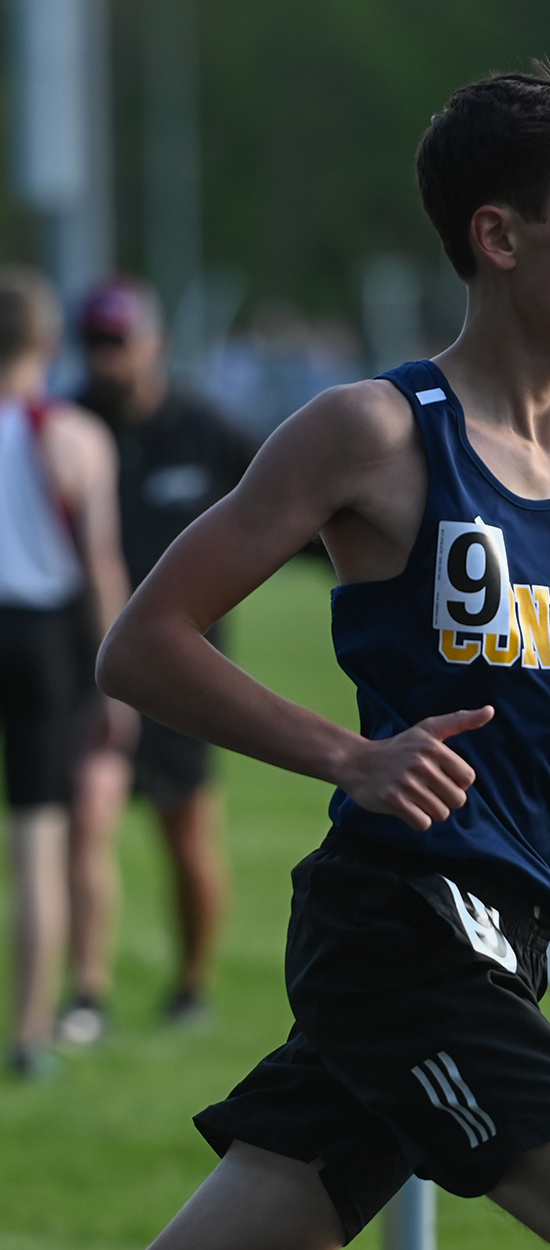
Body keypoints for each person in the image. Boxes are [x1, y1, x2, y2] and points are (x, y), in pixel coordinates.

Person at [99, 69, 550, 1249]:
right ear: (498, 236)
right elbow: (141, 644)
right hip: (402, 933)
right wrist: (351, 756)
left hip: (511, 931)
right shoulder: (374, 431)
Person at [59, 279, 254, 1043]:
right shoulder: (68, 427)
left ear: (155, 344)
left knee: (187, 834)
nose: (105, 360)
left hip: (187, 675)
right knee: (87, 820)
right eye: (93, 344)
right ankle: (88, 994)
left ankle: (192, 987)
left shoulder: (209, 433)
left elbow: (302, 522)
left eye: (118, 343)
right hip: (89, 668)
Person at [0, 266, 132, 1076]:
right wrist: (119, 681)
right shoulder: (73, 435)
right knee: (38, 844)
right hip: (43, 643)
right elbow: (102, 566)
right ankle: (29, 1035)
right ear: (46, 342)